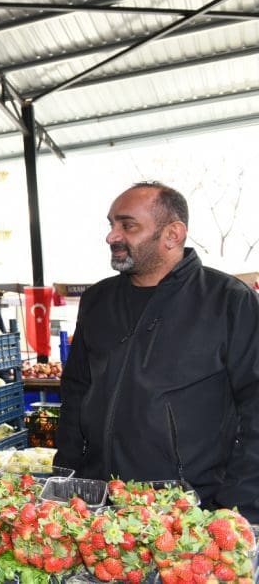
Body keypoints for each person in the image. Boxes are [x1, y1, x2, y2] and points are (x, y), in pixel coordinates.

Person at [55, 182, 259, 522]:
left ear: (172, 234)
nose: (112, 236)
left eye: (127, 225)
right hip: (99, 506)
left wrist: (239, 506)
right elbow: (76, 393)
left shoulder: (229, 301)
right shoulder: (97, 301)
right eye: (111, 224)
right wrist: (67, 476)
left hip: (189, 513)